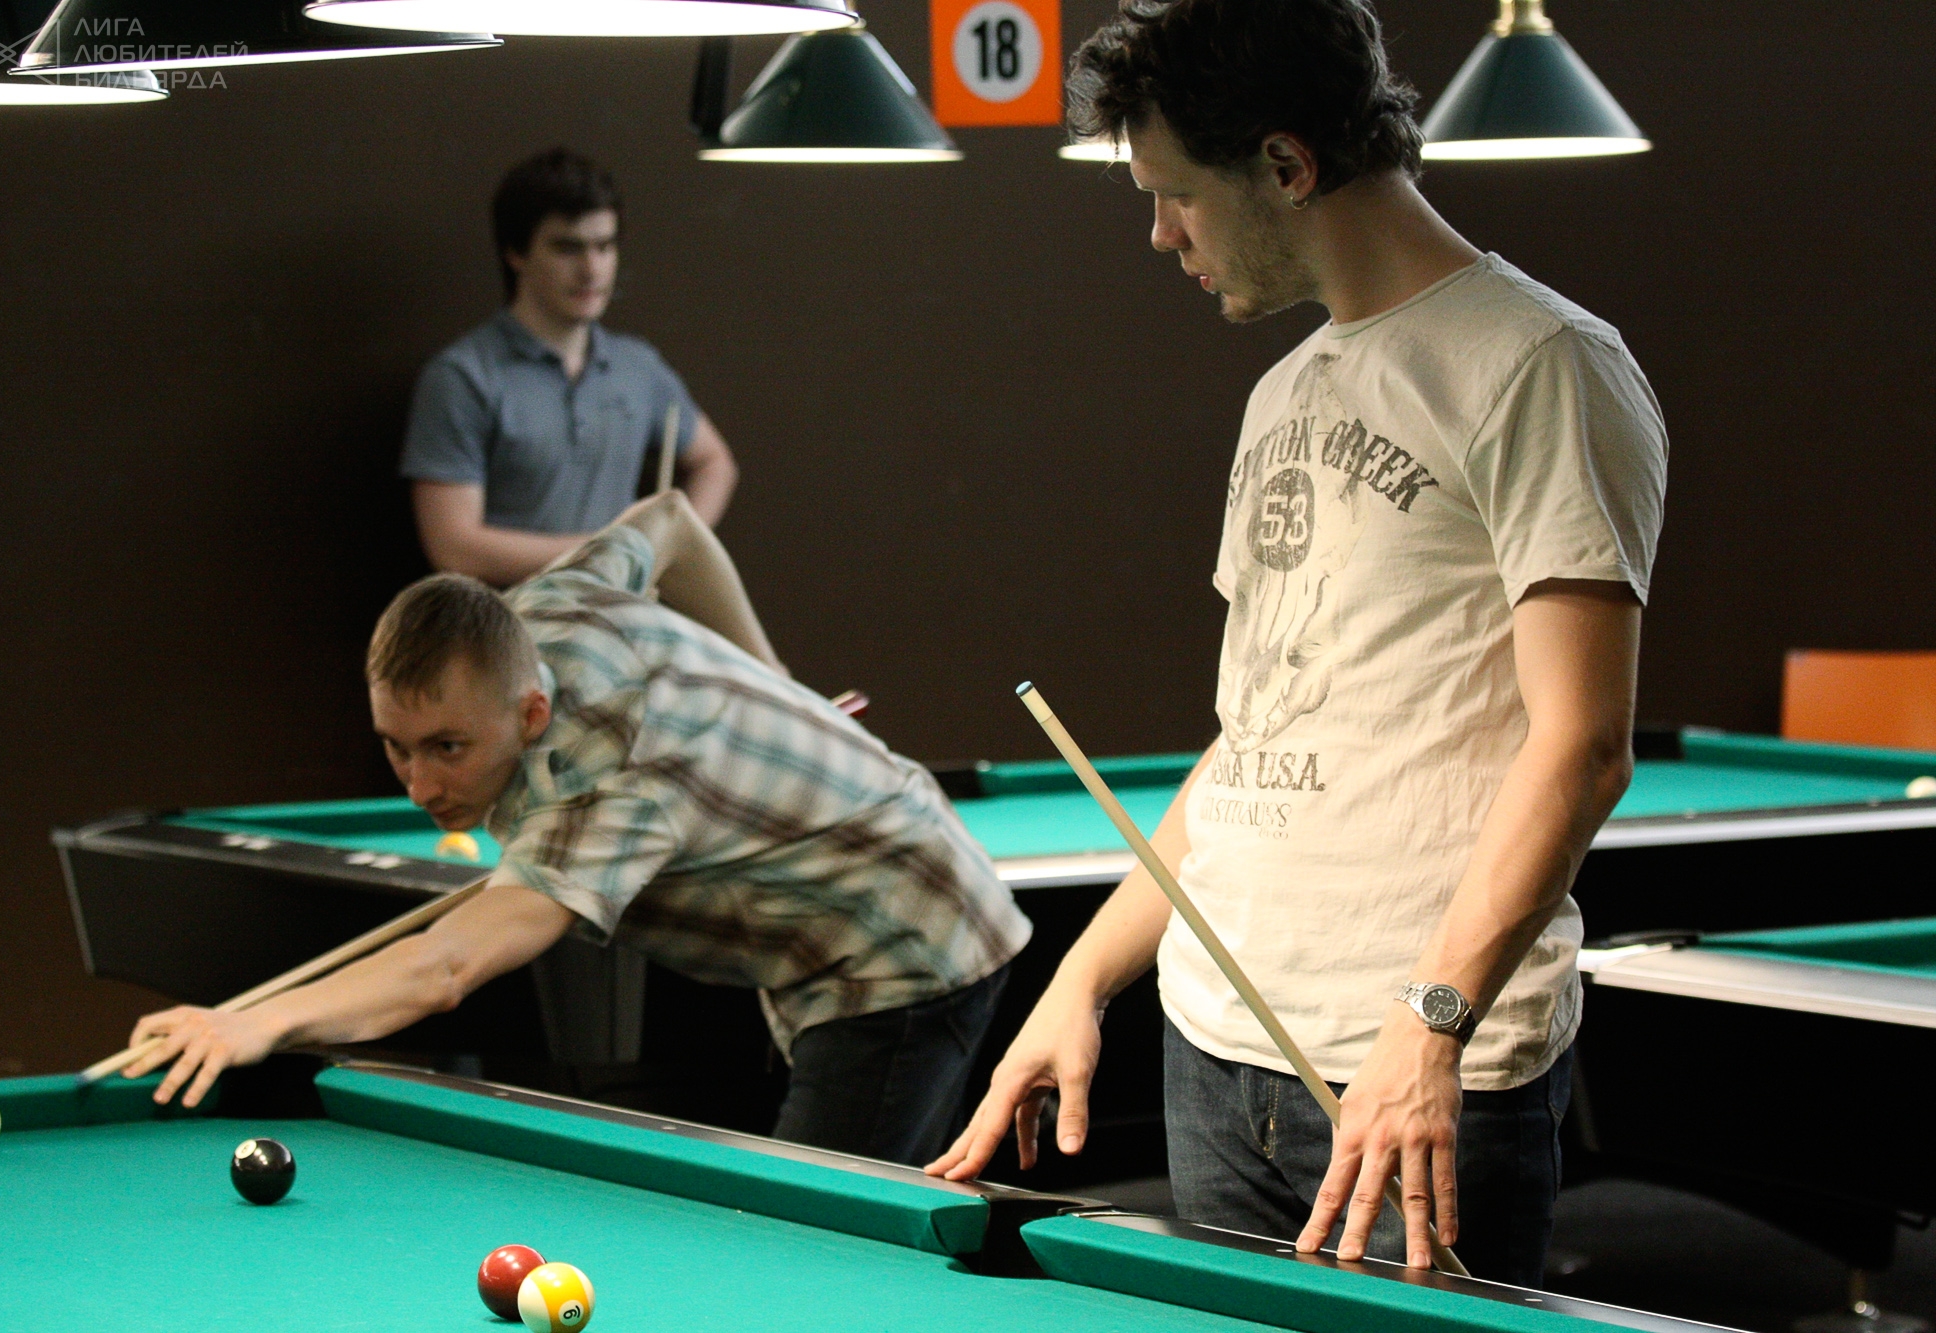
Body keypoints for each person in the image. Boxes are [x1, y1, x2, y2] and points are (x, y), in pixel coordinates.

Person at [928, 0, 1666, 1288]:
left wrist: (1429, 1022)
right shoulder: (1283, 390)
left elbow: (1582, 744)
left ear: (1283, 164)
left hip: (1409, 1070)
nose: (1160, 234)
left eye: (1176, 196)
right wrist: (1080, 981)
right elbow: (1250, 740)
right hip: (1215, 1051)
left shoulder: (1540, 365)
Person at [121, 490, 1032, 1167]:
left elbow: (445, 968)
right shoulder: (542, 609)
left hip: (902, 942)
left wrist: (258, 1020)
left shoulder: (601, 780)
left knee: (823, 1237)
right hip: (831, 923)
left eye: (447, 747)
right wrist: (780, 678)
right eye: (396, 747)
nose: (420, 784)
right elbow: (672, 520)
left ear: (529, 713)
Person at [402, 148, 740, 588]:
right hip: (512, 620)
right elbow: (454, 547)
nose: (592, 269)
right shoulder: (463, 377)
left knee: (742, 634)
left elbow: (715, 462)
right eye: (568, 248)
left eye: (605, 246)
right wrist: (611, 553)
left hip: (620, 613)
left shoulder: (637, 366)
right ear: (516, 252)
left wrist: (669, 549)